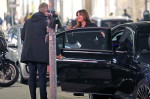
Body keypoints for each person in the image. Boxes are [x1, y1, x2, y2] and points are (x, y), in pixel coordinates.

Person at [21, 2, 62, 99]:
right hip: (41, 54)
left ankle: (33, 97)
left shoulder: (28, 21)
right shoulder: (47, 21)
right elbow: (52, 38)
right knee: (42, 77)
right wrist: (58, 53)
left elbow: (23, 36)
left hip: (30, 54)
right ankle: (43, 97)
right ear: (45, 11)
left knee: (31, 77)